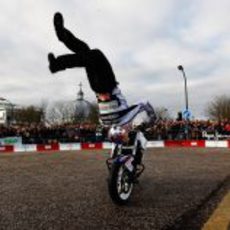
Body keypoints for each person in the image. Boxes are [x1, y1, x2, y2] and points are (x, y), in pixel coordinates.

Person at [48, 12, 156, 128]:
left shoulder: (126, 117)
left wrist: (152, 119)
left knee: (95, 54)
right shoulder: (105, 122)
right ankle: (62, 36)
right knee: (86, 52)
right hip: (96, 87)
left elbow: (144, 103)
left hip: (108, 85)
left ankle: (58, 58)